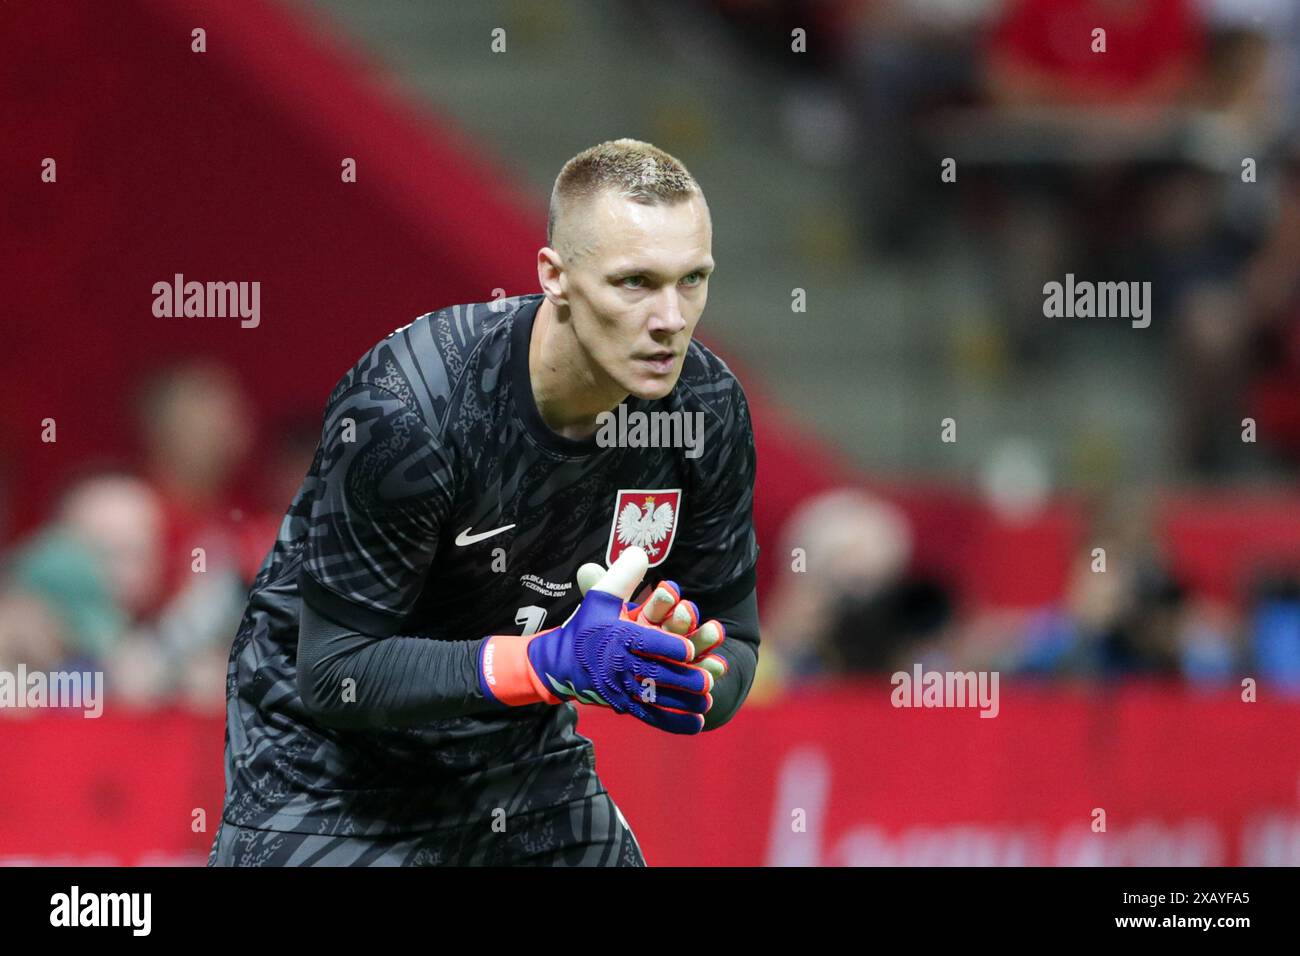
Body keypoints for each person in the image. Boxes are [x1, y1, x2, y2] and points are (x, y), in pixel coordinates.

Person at [209, 139, 761, 866]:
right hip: (325, 770)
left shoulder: (704, 412)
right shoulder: (409, 408)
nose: (670, 318)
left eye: (693, 280)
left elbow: (736, 642)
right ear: (555, 277)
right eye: (634, 283)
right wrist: (551, 663)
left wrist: (680, 672)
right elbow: (336, 672)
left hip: (517, 759)